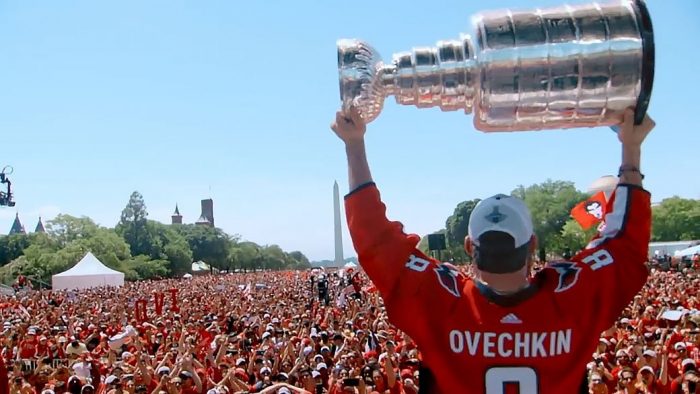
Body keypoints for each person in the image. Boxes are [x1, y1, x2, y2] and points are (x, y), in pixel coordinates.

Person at [330, 106, 656, 393]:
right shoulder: (572, 299)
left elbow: (373, 238)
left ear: (470, 245)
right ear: (532, 245)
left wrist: (354, 144)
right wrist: (631, 149)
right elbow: (624, 245)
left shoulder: (441, 301)